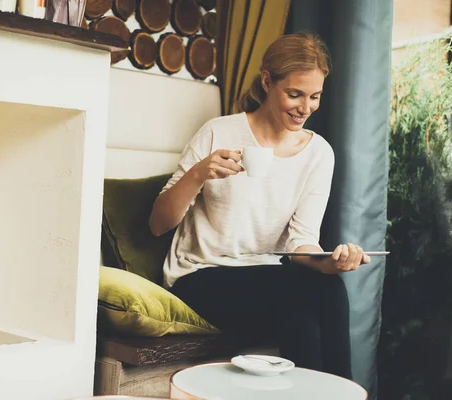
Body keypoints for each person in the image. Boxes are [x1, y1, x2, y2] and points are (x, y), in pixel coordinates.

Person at [148, 32, 371, 380]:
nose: (305, 108)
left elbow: (301, 243)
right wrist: (199, 173)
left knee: (322, 291)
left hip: (273, 279)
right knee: (296, 295)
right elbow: (158, 224)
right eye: (294, 94)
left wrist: (330, 263)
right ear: (267, 81)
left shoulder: (319, 153)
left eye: (315, 97)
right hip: (200, 277)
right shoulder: (218, 132)